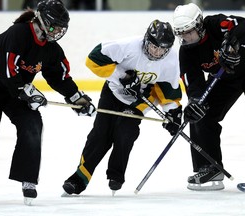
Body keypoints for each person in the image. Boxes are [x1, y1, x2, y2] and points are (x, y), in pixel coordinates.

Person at [0, 0, 95, 204]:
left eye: (61, 28)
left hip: (16, 93)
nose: (58, 32)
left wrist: (76, 98)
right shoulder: (18, 33)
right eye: (55, 26)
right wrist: (24, 90)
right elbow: (5, 68)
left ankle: (27, 179)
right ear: (42, 20)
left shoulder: (51, 49)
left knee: (32, 125)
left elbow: (59, 76)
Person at [62, 19, 182, 195]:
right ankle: (79, 179)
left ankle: (116, 176)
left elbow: (168, 89)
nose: (157, 53)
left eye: (163, 49)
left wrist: (172, 114)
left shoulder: (171, 60)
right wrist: (123, 77)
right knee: (100, 134)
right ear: (147, 40)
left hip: (140, 99)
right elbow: (93, 58)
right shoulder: (129, 46)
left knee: (125, 132)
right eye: (154, 47)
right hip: (113, 91)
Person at [172, 3, 245, 191]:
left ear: (198, 25)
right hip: (224, 77)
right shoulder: (187, 51)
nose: (185, 38)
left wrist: (231, 41)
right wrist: (196, 101)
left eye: (188, 32)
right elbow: (193, 83)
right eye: (181, 33)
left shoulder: (215, 24)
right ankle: (210, 168)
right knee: (200, 112)